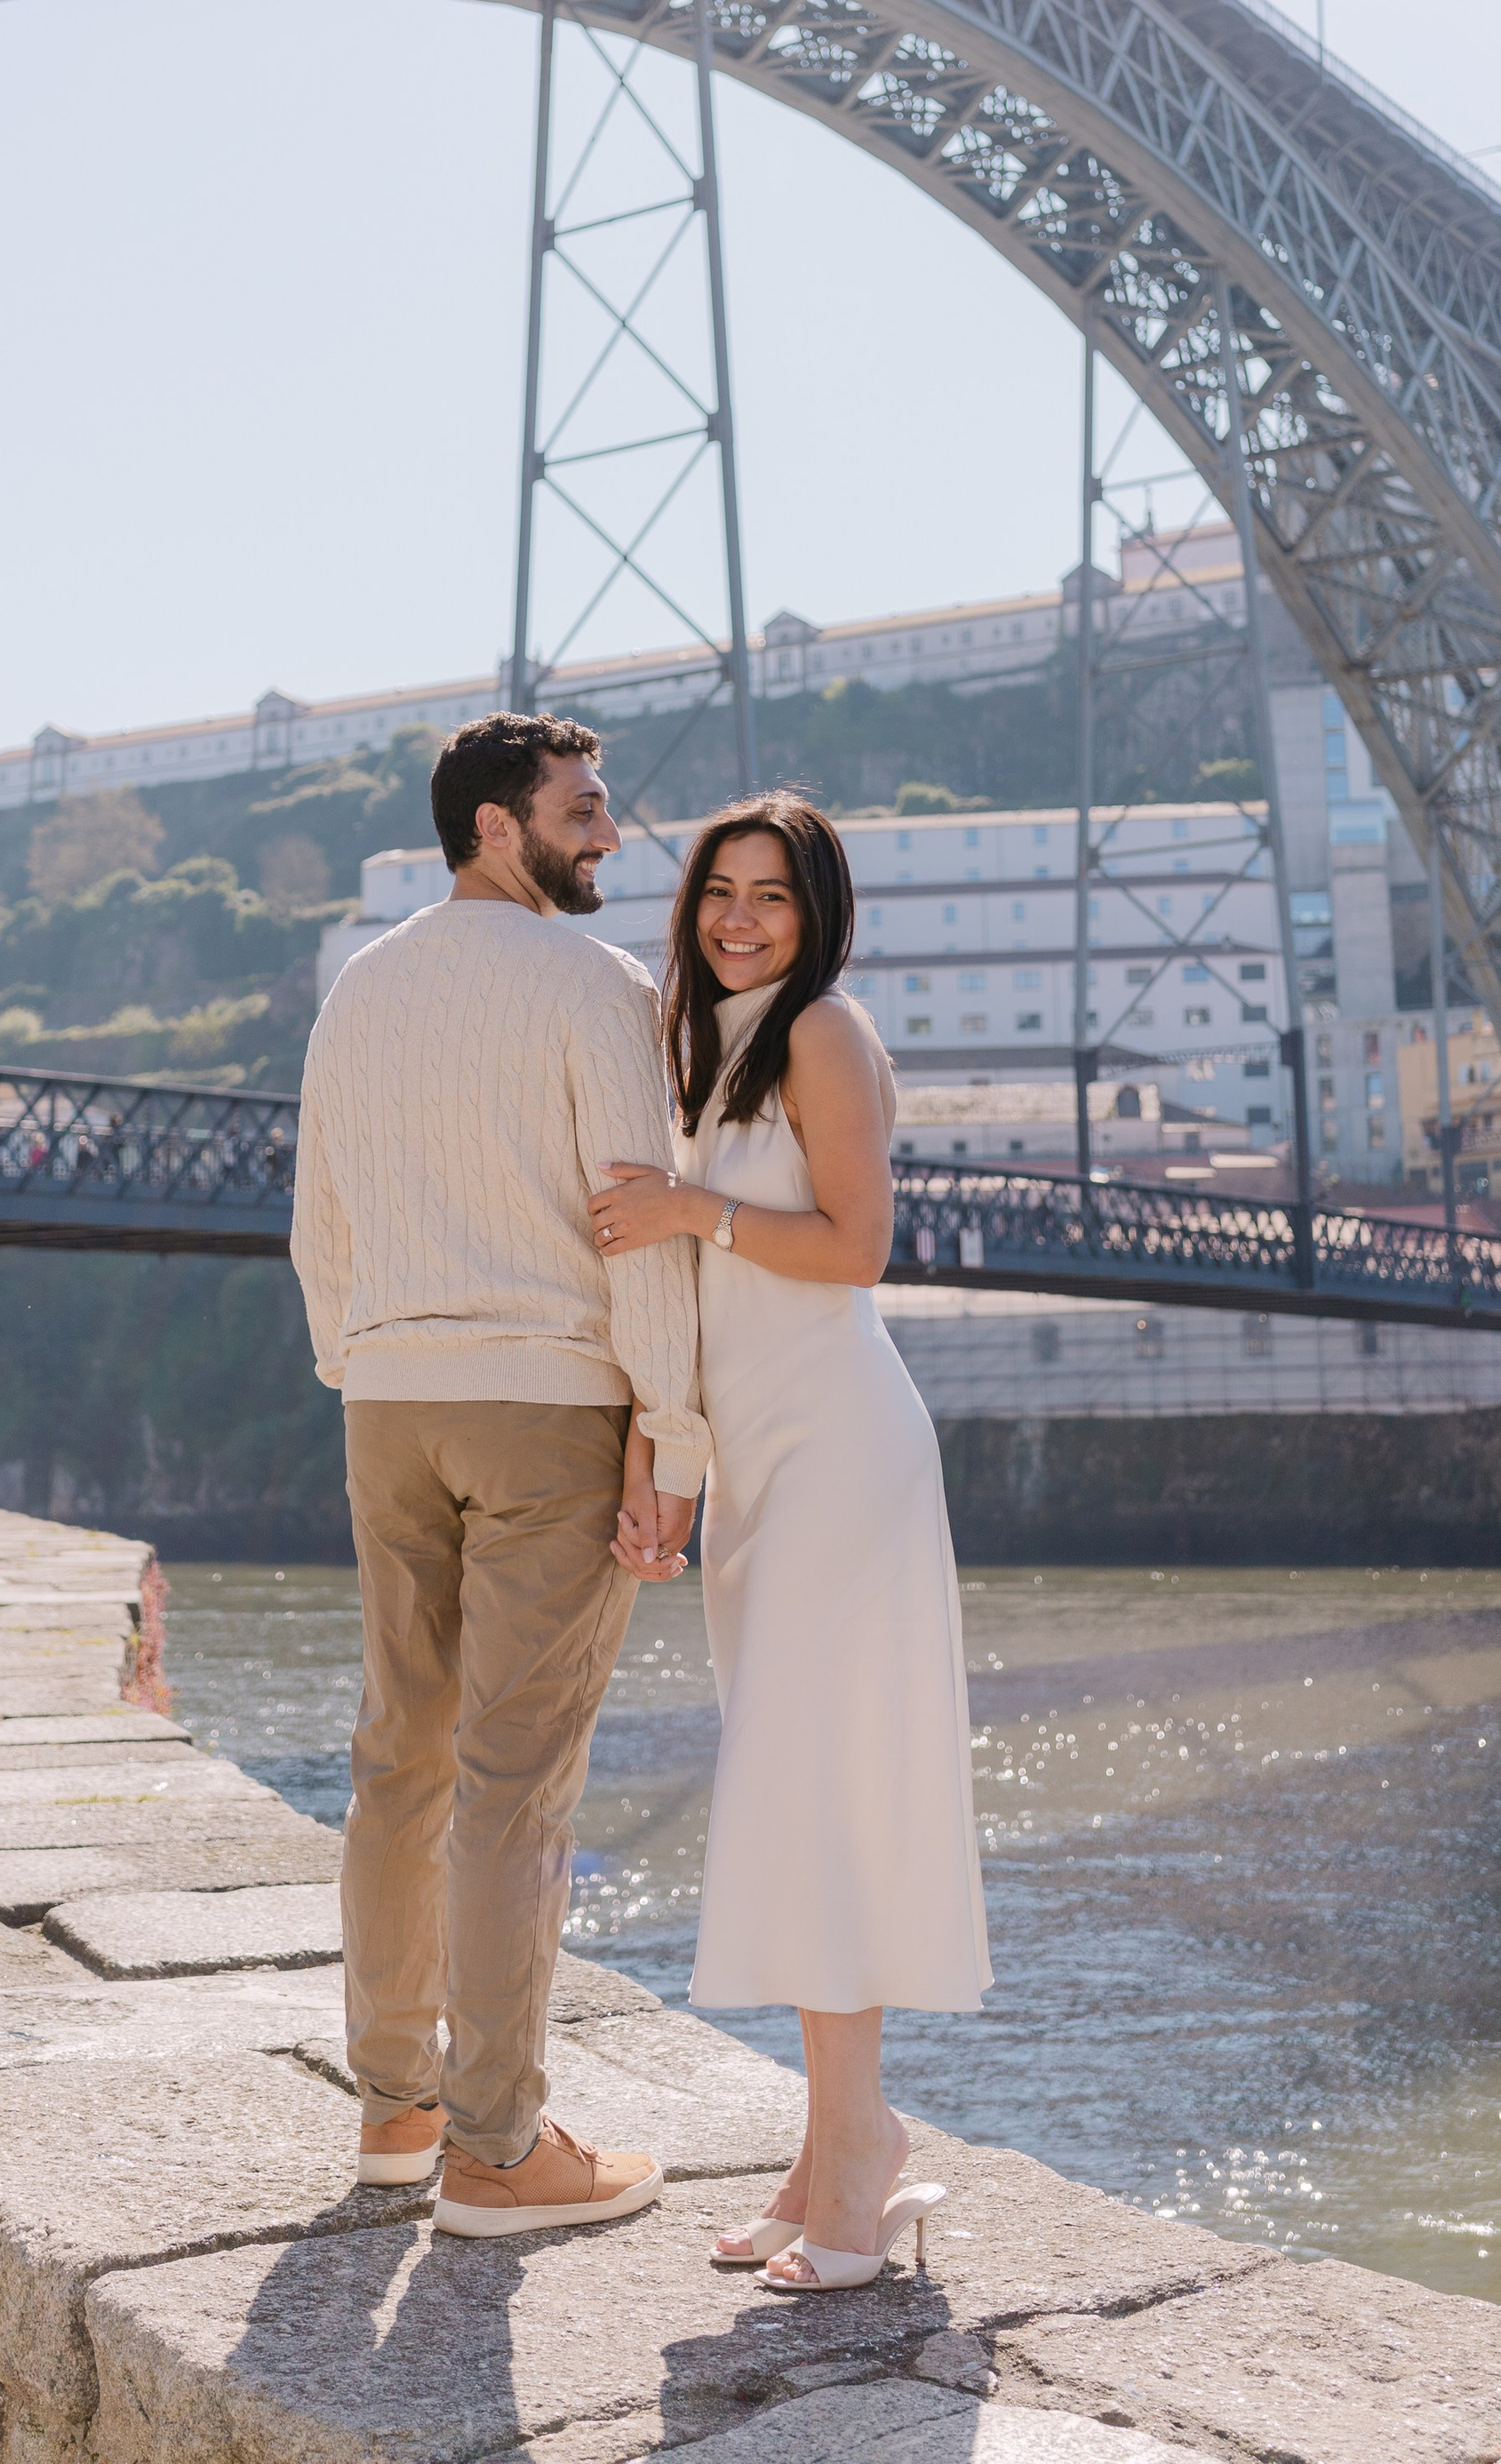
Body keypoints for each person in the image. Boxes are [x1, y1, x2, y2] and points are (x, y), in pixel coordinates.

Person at [292, 710, 709, 2239]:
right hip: (547, 1402)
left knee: (398, 1758)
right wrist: (671, 1436)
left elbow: (316, 1223)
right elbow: (638, 1222)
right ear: (494, 824)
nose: (608, 836)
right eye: (583, 808)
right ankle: (499, 2147)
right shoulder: (597, 990)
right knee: (516, 1782)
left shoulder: (363, 988)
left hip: (391, 1402)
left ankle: (396, 2111)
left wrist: (370, 1362)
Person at [590, 794, 990, 2292]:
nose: (739, 918)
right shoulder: (705, 1048)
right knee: (798, 1788)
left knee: (818, 1791)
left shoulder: (824, 1033)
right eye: (716, 892)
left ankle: (859, 2148)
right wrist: (659, 1469)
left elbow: (857, 1248)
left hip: (841, 1452)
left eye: (771, 896)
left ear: (818, 914)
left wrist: (695, 1206)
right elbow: (681, 1301)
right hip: (755, 1463)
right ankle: (833, 2150)